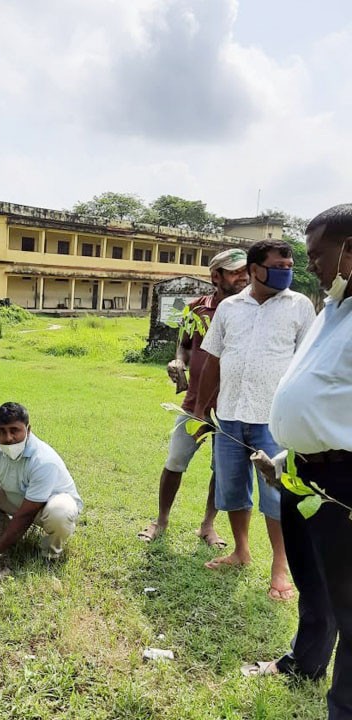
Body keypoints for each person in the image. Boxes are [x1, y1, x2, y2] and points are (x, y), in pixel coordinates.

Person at [241, 204, 352, 717]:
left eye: (318, 255)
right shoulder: (333, 307)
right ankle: (305, 662)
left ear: (350, 250)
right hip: (303, 468)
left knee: (349, 603)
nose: (310, 267)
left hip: (342, 480)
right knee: (313, 580)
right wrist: (289, 455)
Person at [193, 239, 314, 601]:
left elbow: (307, 363)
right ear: (254, 269)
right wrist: (200, 408)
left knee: (277, 496)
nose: (286, 271)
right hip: (230, 414)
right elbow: (213, 359)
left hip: (274, 419)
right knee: (233, 490)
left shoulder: (300, 306)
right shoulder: (230, 307)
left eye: (289, 264)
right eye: (278, 265)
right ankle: (241, 551)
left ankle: (280, 566)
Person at [138, 248, 249, 545]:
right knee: (175, 461)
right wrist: (178, 363)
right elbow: (185, 345)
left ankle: (207, 525)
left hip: (233, 406)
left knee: (220, 468)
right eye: (235, 271)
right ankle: (161, 520)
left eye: (245, 270)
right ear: (216, 276)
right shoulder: (195, 308)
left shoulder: (251, 309)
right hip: (195, 402)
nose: (244, 276)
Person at [0, 402, 84, 572]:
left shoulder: (43, 460)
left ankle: (49, 555)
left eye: (14, 430)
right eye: (2, 431)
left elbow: (27, 513)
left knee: (61, 512)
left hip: (45, 508)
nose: (8, 438)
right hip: (17, 499)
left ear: (28, 430)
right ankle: (5, 534)